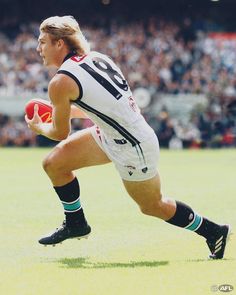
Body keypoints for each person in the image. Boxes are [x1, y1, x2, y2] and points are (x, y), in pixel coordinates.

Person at [25, 15, 230, 259]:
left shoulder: (60, 82)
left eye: (42, 42)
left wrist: (40, 128)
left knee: (152, 206)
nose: (38, 49)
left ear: (60, 43)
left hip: (134, 146)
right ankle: (76, 223)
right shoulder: (97, 58)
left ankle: (213, 231)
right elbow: (106, 105)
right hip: (112, 134)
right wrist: (62, 110)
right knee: (54, 164)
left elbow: (59, 132)